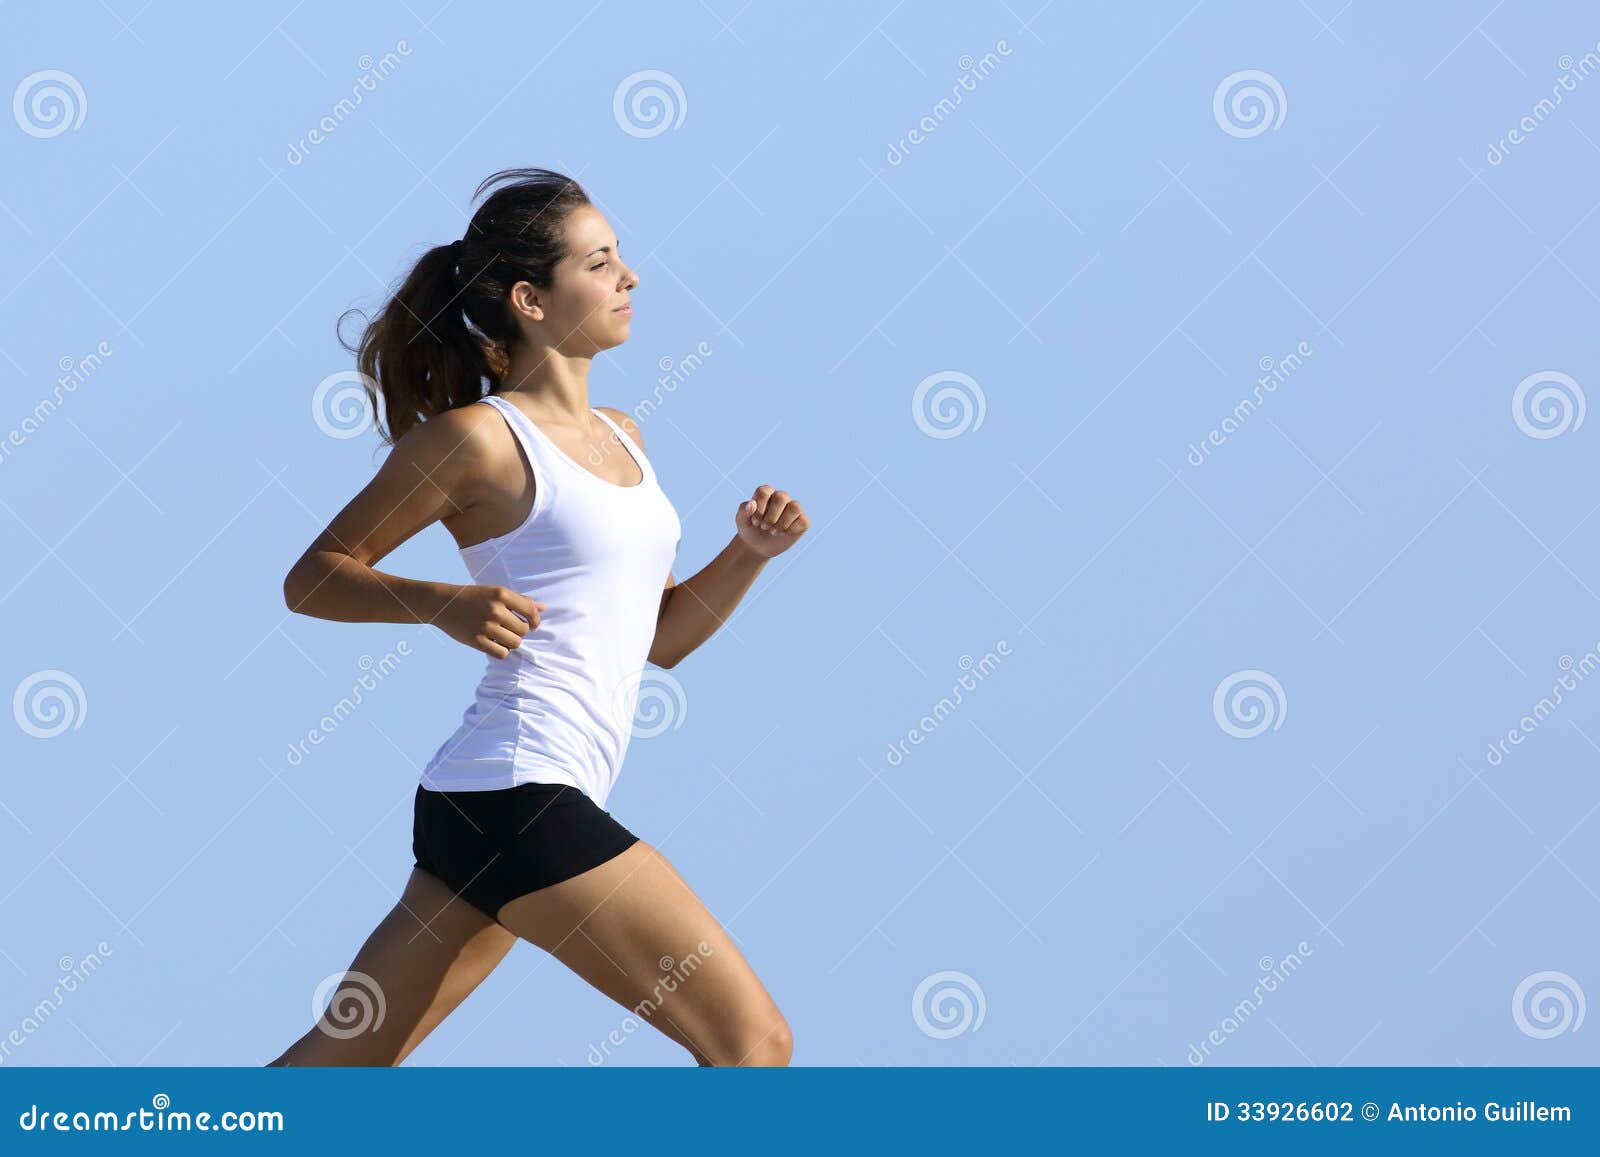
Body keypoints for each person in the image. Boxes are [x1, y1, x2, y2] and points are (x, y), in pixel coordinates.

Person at [268, 168, 808, 1066]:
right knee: (753, 1044)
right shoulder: (478, 439)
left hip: (488, 807)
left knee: (335, 1070)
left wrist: (747, 554)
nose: (629, 277)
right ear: (531, 298)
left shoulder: (627, 434)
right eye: (600, 262)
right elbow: (313, 577)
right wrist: (441, 605)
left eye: (621, 257)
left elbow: (662, 638)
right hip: (520, 794)